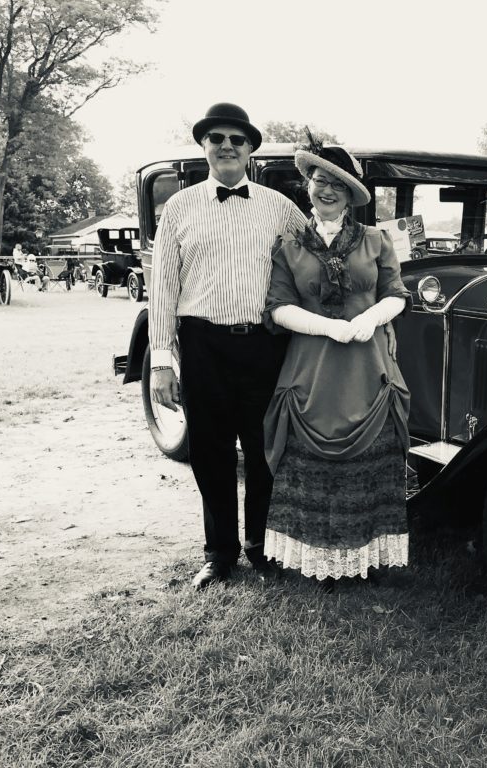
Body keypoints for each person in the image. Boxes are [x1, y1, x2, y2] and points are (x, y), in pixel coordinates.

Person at [148, 103, 308, 590]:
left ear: (250, 149)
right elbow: (163, 288)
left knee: (264, 451)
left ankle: (262, 546)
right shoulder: (178, 207)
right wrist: (160, 362)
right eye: (216, 137)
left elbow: (318, 255)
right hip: (202, 345)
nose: (226, 145)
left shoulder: (280, 207)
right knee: (210, 453)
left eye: (236, 139)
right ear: (204, 146)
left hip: (263, 345)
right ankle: (220, 553)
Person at [262, 139, 411, 586]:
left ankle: (367, 559)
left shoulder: (375, 240)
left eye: (338, 185)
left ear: (350, 196)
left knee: (371, 463)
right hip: (311, 369)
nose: (327, 191)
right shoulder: (288, 245)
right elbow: (278, 307)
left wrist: (372, 318)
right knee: (313, 468)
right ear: (307, 185)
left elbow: (397, 295)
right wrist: (328, 328)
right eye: (320, 181)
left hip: (369, 367)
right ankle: (321, 562)